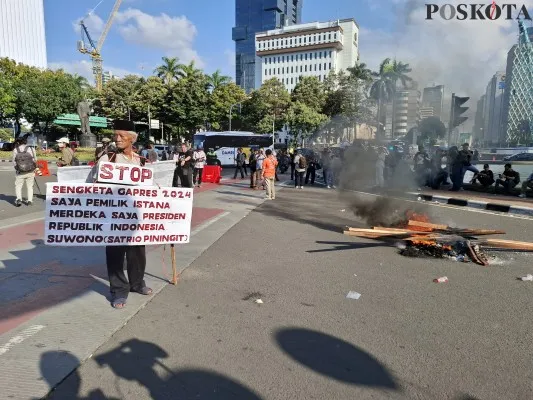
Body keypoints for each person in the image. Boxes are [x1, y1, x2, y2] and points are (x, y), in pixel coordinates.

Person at [97, 120, 152, 309]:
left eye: (121, 135)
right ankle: (119, 290)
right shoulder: (108, 159)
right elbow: (93, 184)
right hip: (113, 216)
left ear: (132, 138)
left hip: (136, 216)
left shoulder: (141, 161)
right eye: (116, 135)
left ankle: (137, 284)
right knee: (115, 253)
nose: (117, 138)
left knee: (138, 252)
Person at [12, 136, 37, 207]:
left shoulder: (15, 150)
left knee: (18, 186)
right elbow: (35, 159)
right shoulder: (31, 148)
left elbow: (14, 162)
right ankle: (29, 201)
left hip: (20, 172)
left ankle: (19, 199)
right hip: (30, 171)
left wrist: (18, 168)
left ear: (18, 142)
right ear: (25, 141)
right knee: (30, 186)